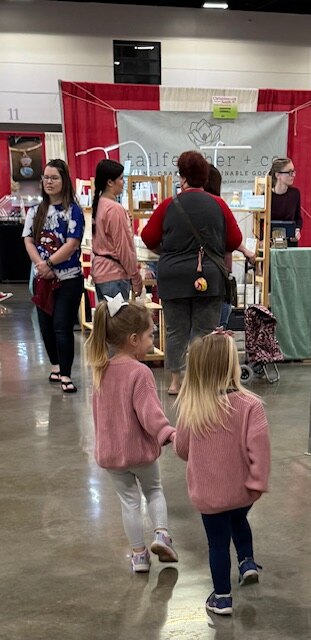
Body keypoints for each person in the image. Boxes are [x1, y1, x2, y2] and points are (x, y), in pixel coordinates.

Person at [174, 329, 271, 616]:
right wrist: (257, 482)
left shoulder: (192, 407)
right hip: (242, 491)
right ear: (232, 367)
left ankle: (222, 598)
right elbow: (260, 450)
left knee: (217, 544)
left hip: (209, 494)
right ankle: (247, 562)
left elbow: (182, 449)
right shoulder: (251, 406)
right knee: (239, 521)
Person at [85, 295, 178, 573]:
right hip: (139, 451)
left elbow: (99, 415)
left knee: (129, 503)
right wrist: (167, 433)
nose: (153, 340)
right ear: (134, 339)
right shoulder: (140, 373)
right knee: (154, 490)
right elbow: (150, 414)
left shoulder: (100, 370)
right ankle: (161, 535)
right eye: (150, 335)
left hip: (111, 454)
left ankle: (139, 556)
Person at [141, 151, 243, 395]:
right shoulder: (218, 205)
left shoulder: (169, 204)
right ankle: (199, 381)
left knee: (175, 330)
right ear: (205, 177)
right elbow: (234, 240)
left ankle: (176, 382)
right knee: (204, 330)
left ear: (183, 176)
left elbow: (148, 237)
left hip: (173, 277)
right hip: (208, 276)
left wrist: (167, 251)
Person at [23, 159, 84, 393]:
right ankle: (56, 366)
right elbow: (28, 240)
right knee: (46, 327)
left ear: (64, 180)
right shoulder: (35, 211)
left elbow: (72, 243)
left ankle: (66, 374)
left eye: (54, 178)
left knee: (62, 326)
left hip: (68, 278)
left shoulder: (73, 211)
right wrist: (40, 265)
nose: (49, 182)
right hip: (42, 279)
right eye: (46, 177)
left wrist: (49, 263)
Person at [204, 164, 255, 328]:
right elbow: (233, 238)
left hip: (197, 274)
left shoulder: (190, 205)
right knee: (219, 325)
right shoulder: (219, 206)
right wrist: (245, 250)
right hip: (219, 272)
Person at [91, 159, 143, 302]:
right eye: (120, 179)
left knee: (106, 315)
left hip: (100, 272)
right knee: (118, 316)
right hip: (114, 274)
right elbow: (123, 247)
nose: (123, 182)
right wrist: (135, 276)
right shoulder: (114, 209)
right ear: (110, 182)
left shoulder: (99, 205)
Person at [269, 157, 302, 245]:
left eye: (294, 172)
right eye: (290, 172)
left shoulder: (295, 194)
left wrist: (297, 230)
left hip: (290, 244)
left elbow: (298, 218)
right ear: (278, 175)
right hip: (270, 245)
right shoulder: (266, 195)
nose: (293, 175)